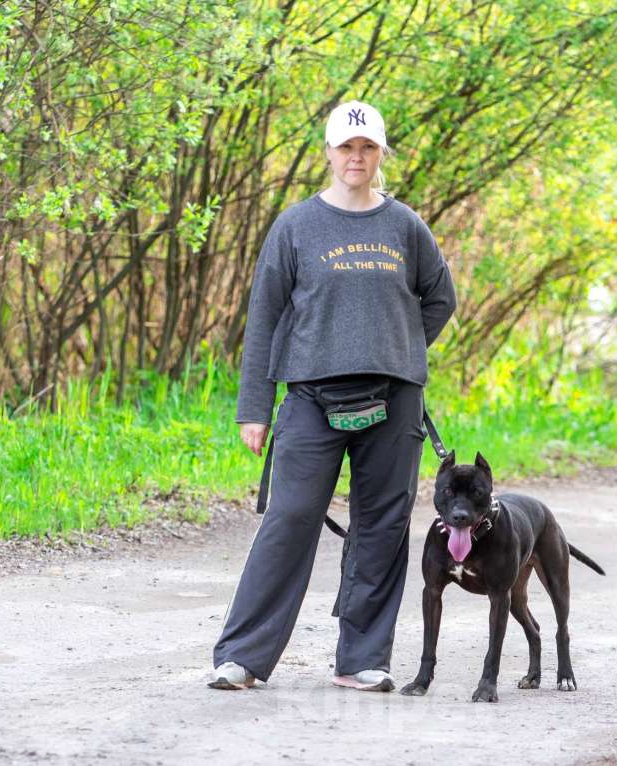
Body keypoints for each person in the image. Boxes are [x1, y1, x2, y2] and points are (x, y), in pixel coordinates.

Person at [209, 99, 457, 692]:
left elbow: (440, 298)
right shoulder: (295, 226)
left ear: (380, 155)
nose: (356, 157)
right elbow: (264, 317)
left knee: (382, 524)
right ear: (329, 153)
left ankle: (361, 659)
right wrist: (254, 408)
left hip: (393, 402)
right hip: (311, 400)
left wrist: (396, 349)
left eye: (367, 147)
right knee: (289, 519)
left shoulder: (405, 226)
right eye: (346, 147)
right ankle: (243, 656)